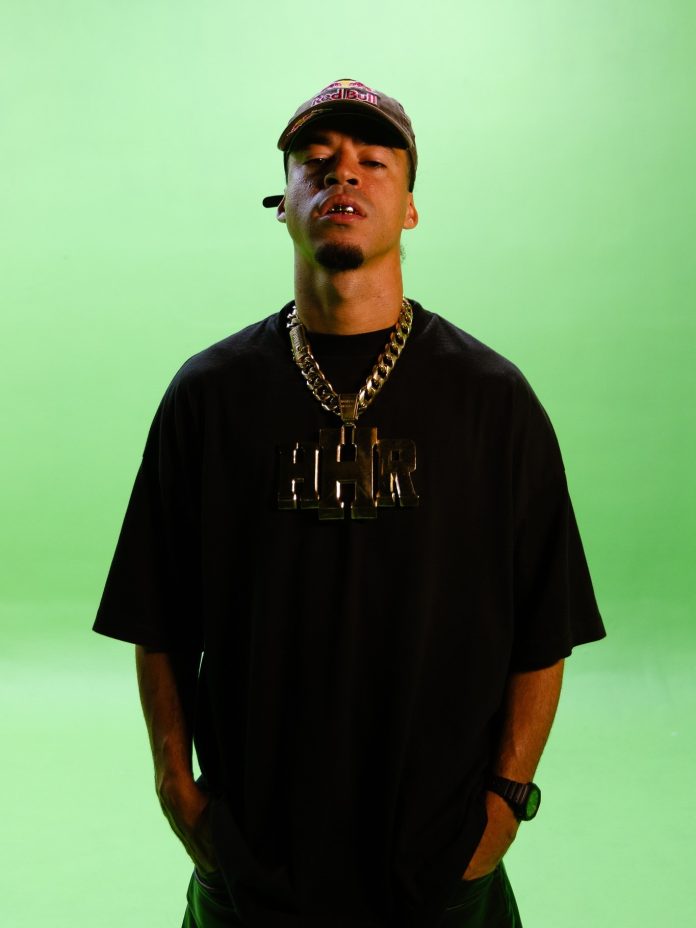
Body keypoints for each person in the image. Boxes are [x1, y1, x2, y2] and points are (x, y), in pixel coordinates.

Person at [93, 78, 606, 928]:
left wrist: (505, 804)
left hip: (441, 858)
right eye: (317, 162)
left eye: (374, 161)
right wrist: (177, 791)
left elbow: (544, 623)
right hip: (252, 857)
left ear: (410, 208)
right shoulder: (210, 395)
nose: (345, 175)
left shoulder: (491, 399)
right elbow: (159, 616)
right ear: (283, 205)